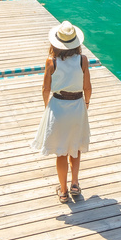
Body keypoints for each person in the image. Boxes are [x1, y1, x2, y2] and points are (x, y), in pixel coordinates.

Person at [32, 20, 91, 202]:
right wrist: (86, 103)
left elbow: (45, 88)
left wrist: (46, 107)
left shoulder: (52, 61)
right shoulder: (83, 60)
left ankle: (63, 191)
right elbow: (87, 87)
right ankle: (75, 183)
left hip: (58, 107)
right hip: (77, 106)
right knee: (76, 146)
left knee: (61, 152)